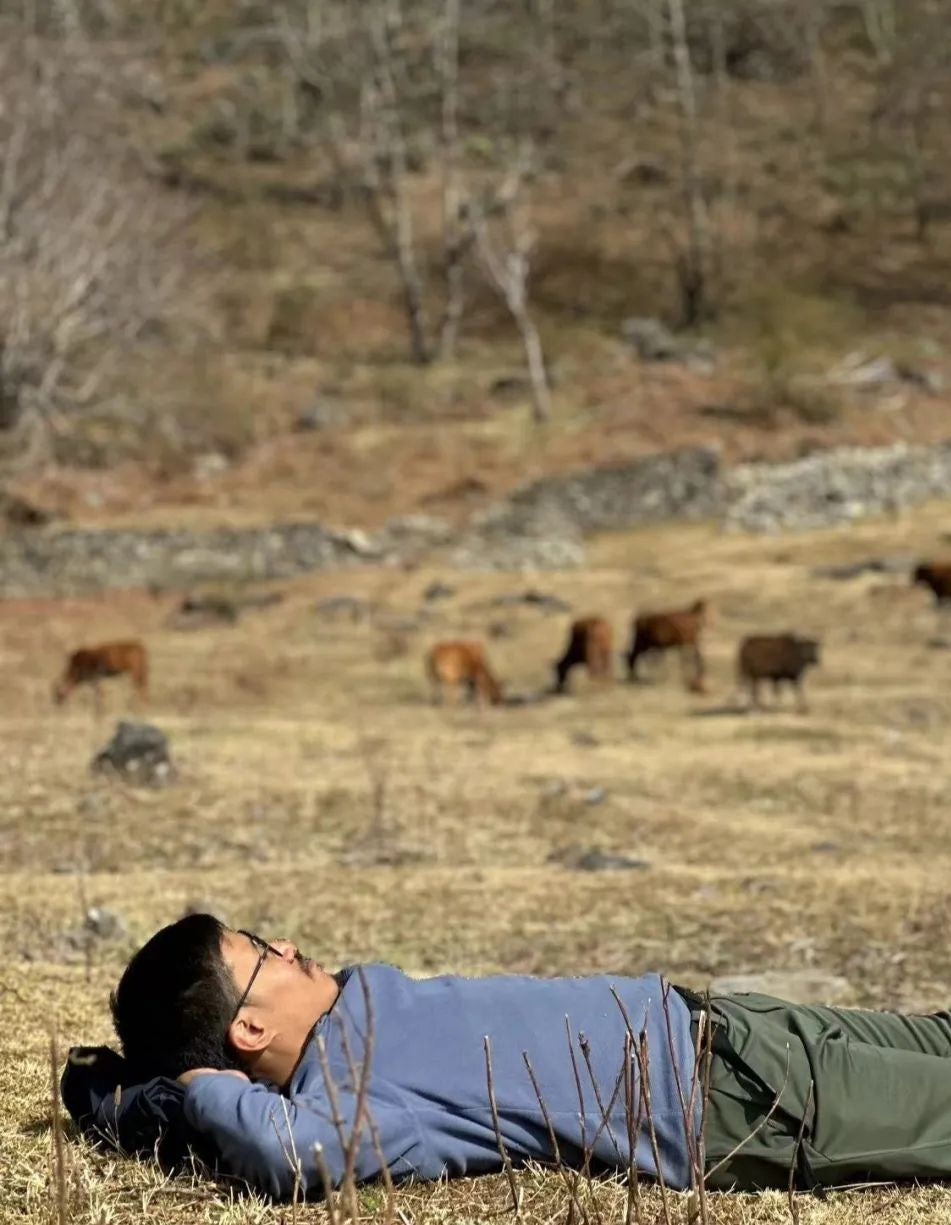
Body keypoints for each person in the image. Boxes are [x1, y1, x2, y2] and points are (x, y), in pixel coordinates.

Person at [62, 914, 951, 1199]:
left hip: (722, 1022)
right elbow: (296, 1155)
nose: (291, 945)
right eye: (263, 949)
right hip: (742, 1096)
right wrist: (186, 1084)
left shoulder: (355, 1019)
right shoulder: (347, 1094)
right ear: (246, 1031)